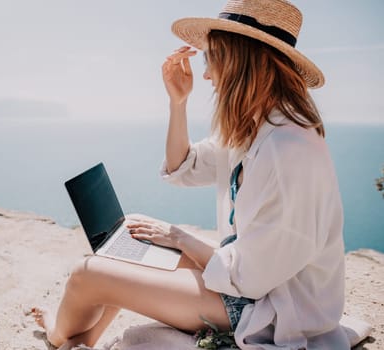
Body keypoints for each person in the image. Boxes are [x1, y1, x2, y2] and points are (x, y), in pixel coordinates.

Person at [32, 0, 350, 348]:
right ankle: (83, 336)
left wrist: (181, 238)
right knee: (133, 236)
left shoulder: (290, 150)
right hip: (249, 284)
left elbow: (251, 279)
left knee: (86, 274)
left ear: (240, 60)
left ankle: (59, 335)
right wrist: (177, 103)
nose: (207, 74)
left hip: (271, 311)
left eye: (210, 57)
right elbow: (184, 167)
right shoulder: (257, 128)